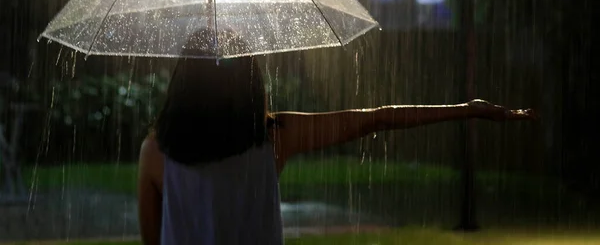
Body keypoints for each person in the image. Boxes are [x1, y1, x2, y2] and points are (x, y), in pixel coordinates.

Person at [137, 31, 535, 245]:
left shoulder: (156, 153)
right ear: (250, 81)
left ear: (184, 81)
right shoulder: (274, 138)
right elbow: (375, 120)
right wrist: (466, 109)